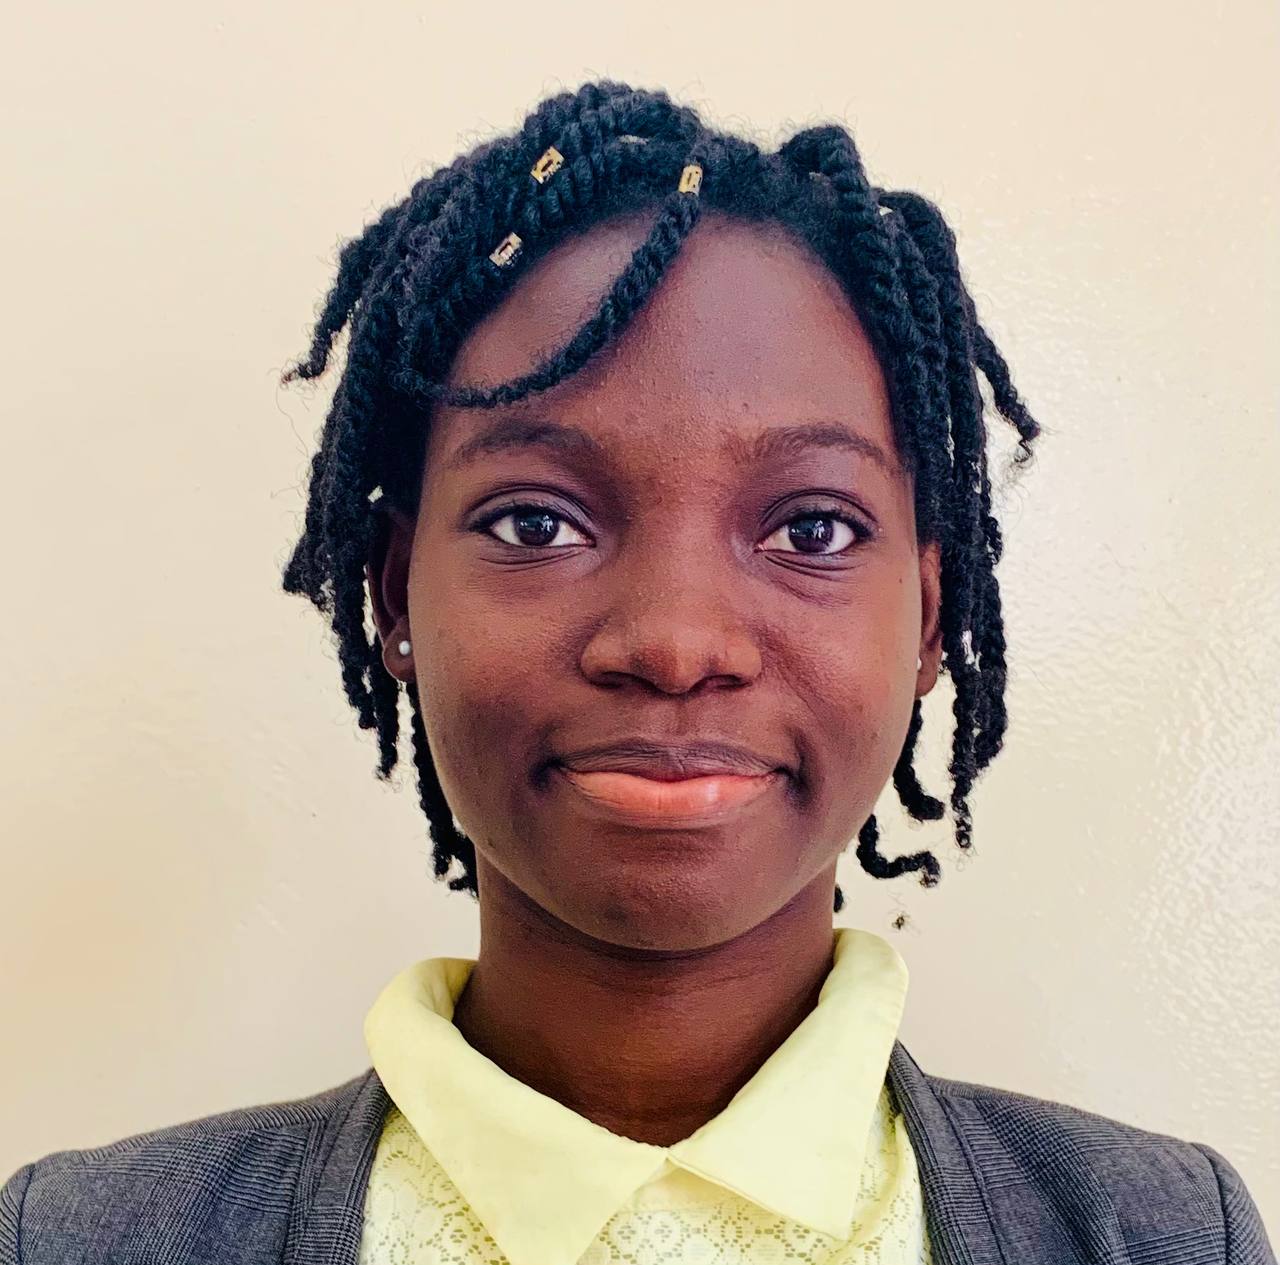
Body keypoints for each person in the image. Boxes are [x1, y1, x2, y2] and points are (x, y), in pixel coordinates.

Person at [2, 80, 1272, 1265]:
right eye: (534, 521)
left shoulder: (1165, 1232)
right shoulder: (76, 1238)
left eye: (810, 527)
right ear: (394, 597)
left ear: (928, 620)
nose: (674, 641)